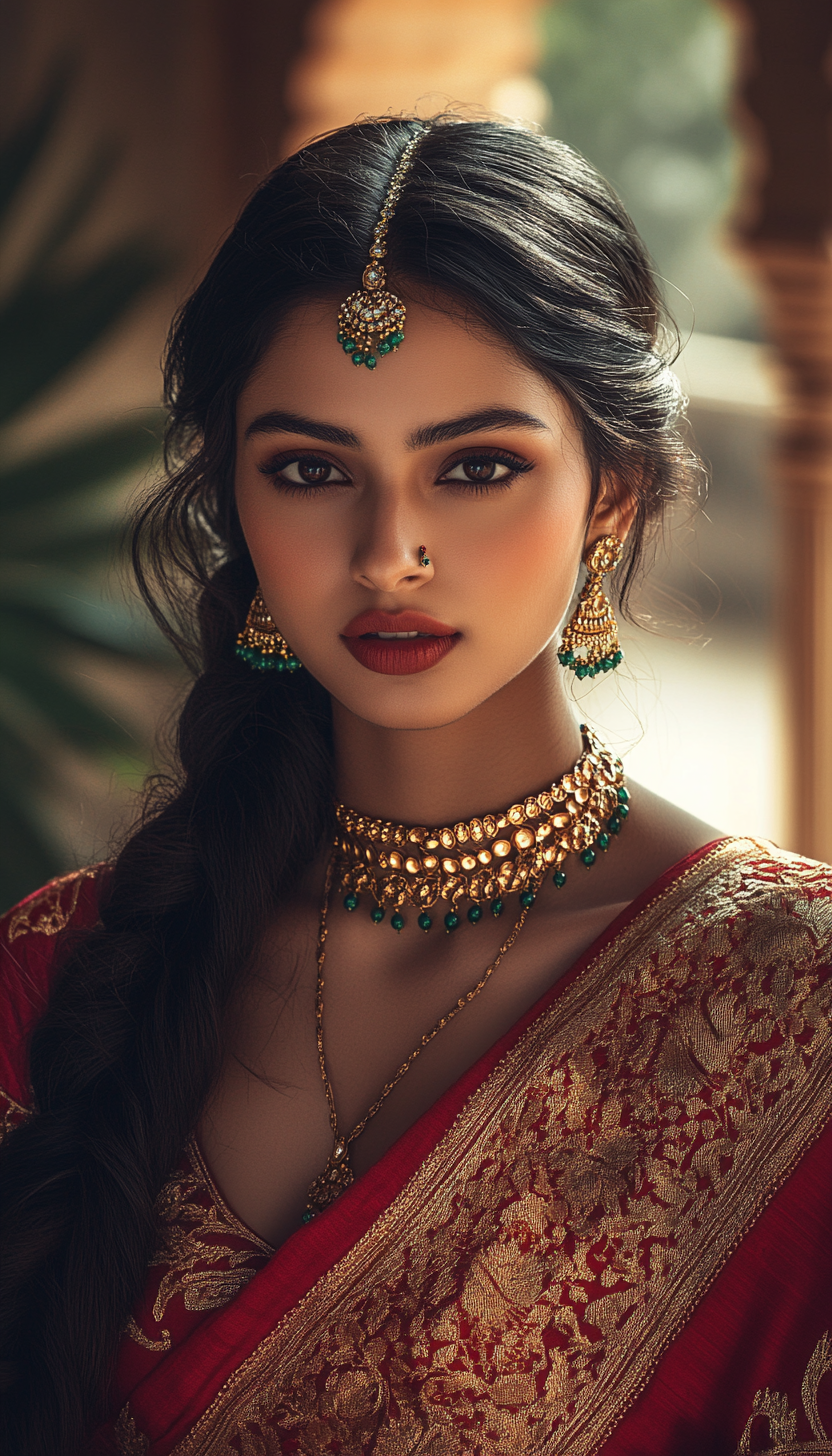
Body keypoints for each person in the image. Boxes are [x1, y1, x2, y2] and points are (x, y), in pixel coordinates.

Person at [1, 114, 831, 1456]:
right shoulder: (58, 976)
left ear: (609, 495)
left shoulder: (796, 1010)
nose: (391, 551)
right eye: (313, 470)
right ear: (235, 498)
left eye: (478, 467)